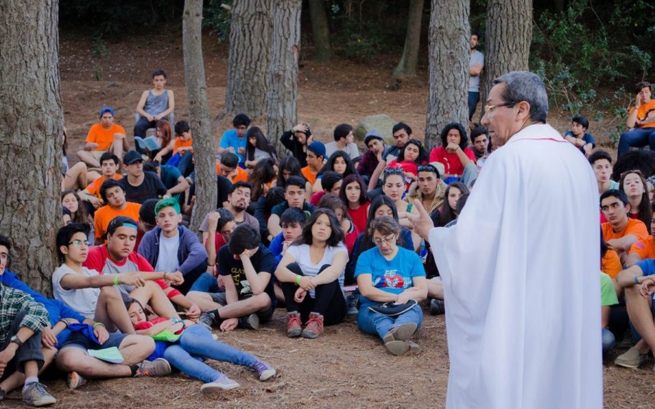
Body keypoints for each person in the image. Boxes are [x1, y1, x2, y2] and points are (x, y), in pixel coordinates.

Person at [407, 71, 601, 408]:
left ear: (521, 109)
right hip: (568, 309)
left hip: (519, 311)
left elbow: (471, 250)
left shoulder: (507, 161)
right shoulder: (577, 162)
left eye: (492, 107)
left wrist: (431, 234)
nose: (483, 119)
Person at [126, 299, 275, 392]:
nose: (139, 316)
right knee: (170, 353)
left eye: (140, 311)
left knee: (187, 340)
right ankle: (218, 379)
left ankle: (255, 362)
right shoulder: (131, 337)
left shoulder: (157, 321)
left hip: (193, 336)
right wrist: (170, 324)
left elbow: (188, 323)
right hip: (178, 351)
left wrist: (174, 323)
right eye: (132, 315)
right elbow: (149, 333)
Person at [85, 217, 201, 320]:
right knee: (149, 286)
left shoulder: (135, 258)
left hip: (130, 311)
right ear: (109, 237)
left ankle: (178, 325)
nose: (127, 243)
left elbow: (163, 287)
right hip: (102, 313)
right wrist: (165, 275)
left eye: (132, 238)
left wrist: (190, 305)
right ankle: (179, 325)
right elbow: (93, 290)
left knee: (152, 285)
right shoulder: (94, 254)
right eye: (122, 237)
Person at [355, 216, 427, 356]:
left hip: (406, 306)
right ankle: (401, 338)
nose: (384, 245)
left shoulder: (411, 257)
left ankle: (395, 333)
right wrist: (400, 296)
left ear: (397, 234)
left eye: (388, 239)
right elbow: (366, 291)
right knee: (379, 319)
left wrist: (406, 298)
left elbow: (423, 291)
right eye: (378, 240)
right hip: (373, 307)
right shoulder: (366, 257)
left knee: (412, 313)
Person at [275, 209, 348, 339]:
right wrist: (298, 279)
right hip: (305, 307)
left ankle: (316, 320)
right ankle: (294, 319)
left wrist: (307, 284)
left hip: (331, 309)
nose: (322, 228)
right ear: (311, 225)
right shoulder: (298, 247)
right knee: (290, 268)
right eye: (318, 223)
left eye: (328, 225)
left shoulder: (339, 249)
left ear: (333, 229)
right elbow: (279, 271)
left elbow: (335, 271)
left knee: (327, 269)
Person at [190, 225, 276, 332]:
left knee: (263, 298)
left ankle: (212, 315)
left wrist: (245, 258)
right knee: (191, 296)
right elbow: (230, 290)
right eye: (233, 253)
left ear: (252, 249)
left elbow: (258, 289)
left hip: (255, 304)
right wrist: (234, 315)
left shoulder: (266, 256)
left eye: (238, 254)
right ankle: (242, 320)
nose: (235, 257)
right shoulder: (224, 252)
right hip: (234, 300)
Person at [138, 198, 208, 294]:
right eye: (162, 216)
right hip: (155, 281)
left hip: (178, 280)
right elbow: (141, 264)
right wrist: (161, 278)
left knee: (201, 264)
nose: (167, 219)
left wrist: (179, 272)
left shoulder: (186, 234)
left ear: (179, 218)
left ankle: (191, 297)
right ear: (157, 221)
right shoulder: (149, 237)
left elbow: (200, 252)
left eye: (171, 215)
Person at [0, 283, 54, 406]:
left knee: (28, 316)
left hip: (9, 361)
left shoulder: (14, 296)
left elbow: (39, 311)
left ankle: (31, 384)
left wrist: (11, 348)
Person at [600, 189, 649, 261]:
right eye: (605, 208)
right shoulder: (602, 228)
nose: (610, 212)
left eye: (615, 205)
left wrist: (601, 247)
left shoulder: (638, 225)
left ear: (626, 208)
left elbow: (623, 244)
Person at [381, 168, 420, 251]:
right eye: (389, 186)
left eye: (398, 186)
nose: (394, 190)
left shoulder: (412, 209)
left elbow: (417, 230)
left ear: (405, 187)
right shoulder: (375, 208)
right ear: (383, 188)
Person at [617, 81, 655, 158]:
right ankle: (621, 166)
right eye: (641, 93)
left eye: (646, 92)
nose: (644, 95)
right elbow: (629, 125)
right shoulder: (634, 109)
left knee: (653, 136)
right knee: (625, 137)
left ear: (650, 93)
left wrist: (643, 121)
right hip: (642, 132)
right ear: (638, 95)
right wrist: (637, 106)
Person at [134, 69, 175, 139]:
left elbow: (171, 107)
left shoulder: (169, 92)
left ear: (165, 81)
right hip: (147, 118)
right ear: (153, 81)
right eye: (156, 80)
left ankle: (163, 149)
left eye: (161, 80)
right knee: (138, 127)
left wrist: (161, 115)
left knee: (164, 127)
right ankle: (141, 149)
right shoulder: (146, 93)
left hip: (161, 118)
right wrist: (147, 115)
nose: (159, 82)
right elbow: (138, 108)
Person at [468, 32, 484, 121]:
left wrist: (462, 69)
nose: (472, 41)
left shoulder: (480, 56)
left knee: (468, 115)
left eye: (474, 39)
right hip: (459, 90)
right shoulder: (460, 54)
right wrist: (471, 68)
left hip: (473, 91)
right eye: (470, 39)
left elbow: (476, 71)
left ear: (477, 42)